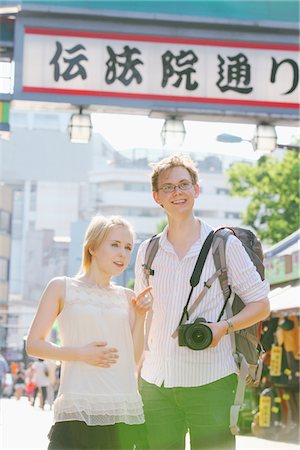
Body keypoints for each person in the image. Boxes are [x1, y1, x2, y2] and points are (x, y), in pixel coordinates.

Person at [134, 153, 270, 450]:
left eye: (184, 184)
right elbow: (143, 317)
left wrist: (225, 326)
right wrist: (136, 373)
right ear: (156, 196)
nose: (177, 192)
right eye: (168, 187)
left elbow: (261, 304)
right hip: (156, 383)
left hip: (212, 381)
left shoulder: (225, 245)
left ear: (197, 189)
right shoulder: (148, 251)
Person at [26, 215, 152, 450]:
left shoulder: (127, 297)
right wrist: (80, 354)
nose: (122, 254)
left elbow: (132, 361)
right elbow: (33, 344)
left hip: (121, 409)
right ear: (92, 247)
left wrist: (142, 316)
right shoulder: (61, 287)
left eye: (127, 247)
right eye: (114, 245)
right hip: (77, 409)